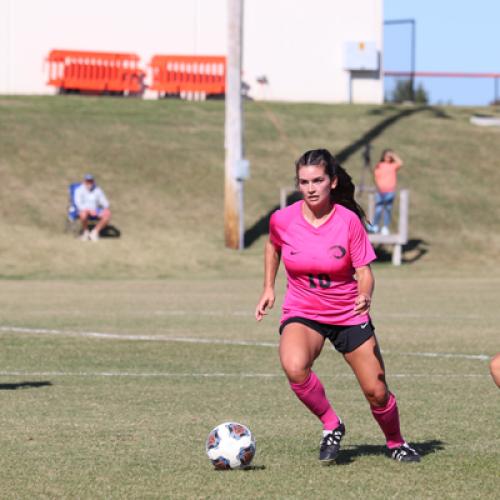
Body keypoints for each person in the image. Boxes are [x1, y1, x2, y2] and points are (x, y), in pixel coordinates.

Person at [255, 148, 420, 464]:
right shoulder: (283, 219)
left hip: (347, 313)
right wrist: (268, 287)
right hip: (303, 310)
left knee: (377, 391)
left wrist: (365, 294)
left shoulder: (348, 222)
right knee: (293, 365)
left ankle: (396, 442)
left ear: (331, 182)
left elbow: (364, 271)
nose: (311, 188)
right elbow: (272, 246)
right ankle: (332, 424)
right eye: (304, 182)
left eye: (317, 180)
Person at [371, 149, 403, 235]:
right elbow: (376, 177)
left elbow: (400, 163)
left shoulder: (393, 165)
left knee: (387, 209)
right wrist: (378, 187)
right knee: (378, 209)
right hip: (380, 192)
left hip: (390, 191)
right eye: (387, 155)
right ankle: (375, 225)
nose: (388, 157)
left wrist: (393, 155)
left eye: (390, 156)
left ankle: (385, 227)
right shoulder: (379, 165)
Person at [74, 173, 111, 241]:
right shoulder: (79, 190)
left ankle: (94, 233)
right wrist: (88, 210)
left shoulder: (97, 190)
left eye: (90, 181)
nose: (89, 183)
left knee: (107, 213)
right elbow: (78, 204)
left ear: (93, 182)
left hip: (95, 210)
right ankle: (86, 232)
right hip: (84, 210)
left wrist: (104, 208)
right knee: (83, 214)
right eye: (87, 181)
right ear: (84, 181)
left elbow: (105, 203)